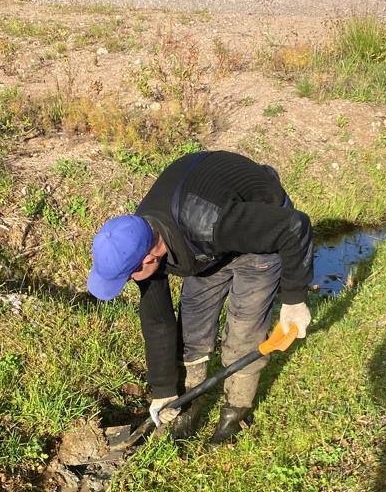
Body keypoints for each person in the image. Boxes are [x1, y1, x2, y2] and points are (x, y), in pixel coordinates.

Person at [86, 149, 313, 444]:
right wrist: (163, 389)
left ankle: (235, 414)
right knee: (192, 328)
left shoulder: (210, 224)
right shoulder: (139, 235)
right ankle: (190, 404)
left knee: (243, 335)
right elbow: (158, 320)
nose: (130, 282)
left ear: (150, 258)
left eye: (129, 276)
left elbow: (294, 227)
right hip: (207, 243)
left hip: (261, 231)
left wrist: (295, 298)